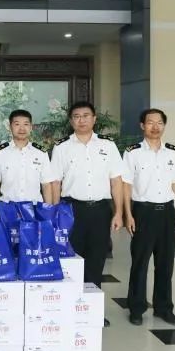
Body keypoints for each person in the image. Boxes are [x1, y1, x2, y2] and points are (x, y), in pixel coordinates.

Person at [51, 101, 124, 326]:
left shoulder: (107, 146)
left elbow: (117, 181)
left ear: (94, 119)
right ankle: (70, 309)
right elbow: (55, 182)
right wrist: (55, 213)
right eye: (76, 116)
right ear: (71, 120)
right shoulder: (62, 147)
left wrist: (118, 213)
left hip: (100, 210)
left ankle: (92, 310)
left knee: (96, 261)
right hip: (72, 210)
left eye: (85, 115)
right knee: (71, 261)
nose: (81, 120)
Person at [122, 108, 175, 326]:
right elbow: (126, 185)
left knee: (166, 264)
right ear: (142, 126)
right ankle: (136, 308)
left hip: (167, 212)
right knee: (140, 263)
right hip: (143, 212)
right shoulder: (132, 153)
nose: (155, 127)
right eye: (150, 122)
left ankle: (164, 308)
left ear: (164, 126)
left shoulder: (173, 153)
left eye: (159, 123)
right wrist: (128, 214)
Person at [0, 109, 56, 207]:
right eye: (17, 124)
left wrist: (48, 211)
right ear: (10, 127)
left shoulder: (41, 153)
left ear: (31, 127)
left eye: (26, 124)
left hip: (34, 208)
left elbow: (46, 185)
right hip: (8, 208)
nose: (22, 128)